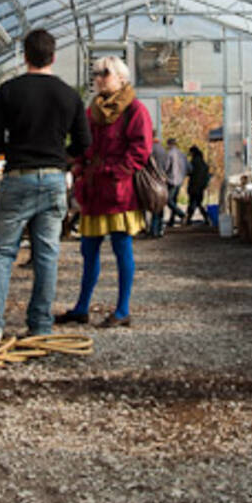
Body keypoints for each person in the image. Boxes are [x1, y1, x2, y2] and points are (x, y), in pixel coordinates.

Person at [0, 29, 90, 347]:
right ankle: (40, 326)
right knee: (46, 253)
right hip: (52, 179)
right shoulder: (68, 95)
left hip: (17, 177)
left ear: (24, 55)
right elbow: (85, 143)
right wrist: (62, 156)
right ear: (54, 56)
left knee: (3, 252)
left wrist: (15, 150)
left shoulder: (8, 91)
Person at [57, 55, 152, 328]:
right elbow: (83, 145)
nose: (98, 78)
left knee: (122, 249)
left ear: (122, 78)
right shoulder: (92, 111)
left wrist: (113, 172)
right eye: (96, 73)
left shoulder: (135, 110)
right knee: (88, 250)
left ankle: (122, 310)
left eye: (104, 73)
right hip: (93, 191)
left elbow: (140, 151)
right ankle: (81, 307)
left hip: (118, 192)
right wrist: (77, 167)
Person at [146, 137, 170, 238]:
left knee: (154, 205)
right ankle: (159, 229)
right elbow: (168, 165)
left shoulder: (150, 149)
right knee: (160, 205)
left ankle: (153, 230)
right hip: (163, 180)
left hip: (153, 180)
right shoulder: (163, 150)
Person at [164, 137, 188, 228]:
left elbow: (166, 167)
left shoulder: (169, 154)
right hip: (180, 181)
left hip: (171, 180)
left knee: (168, 200)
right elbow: (189, 168)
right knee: (174, 200)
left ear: (169, 144)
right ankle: (172, 220)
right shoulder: (182, 154)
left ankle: (181, 214)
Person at [184, 145, 210, 226]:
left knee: (193, 203)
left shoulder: (194, 162)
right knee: (198, 203)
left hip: (194, 186)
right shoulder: (203, 162)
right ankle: (206, 218)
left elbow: (189, 172)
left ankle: (189, 219)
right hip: (201, 186)